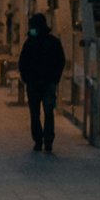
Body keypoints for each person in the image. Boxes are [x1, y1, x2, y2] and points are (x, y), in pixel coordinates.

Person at [17, 11, 67, 153]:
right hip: (48, 83)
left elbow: (23, 62)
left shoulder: (30, 43)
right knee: (48, 111)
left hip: (34, 83)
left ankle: (38, 140)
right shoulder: (54, 42)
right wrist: (55, 78)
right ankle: (48, 140)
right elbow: (60, 61)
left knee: (35, 113)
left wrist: (26, 78)